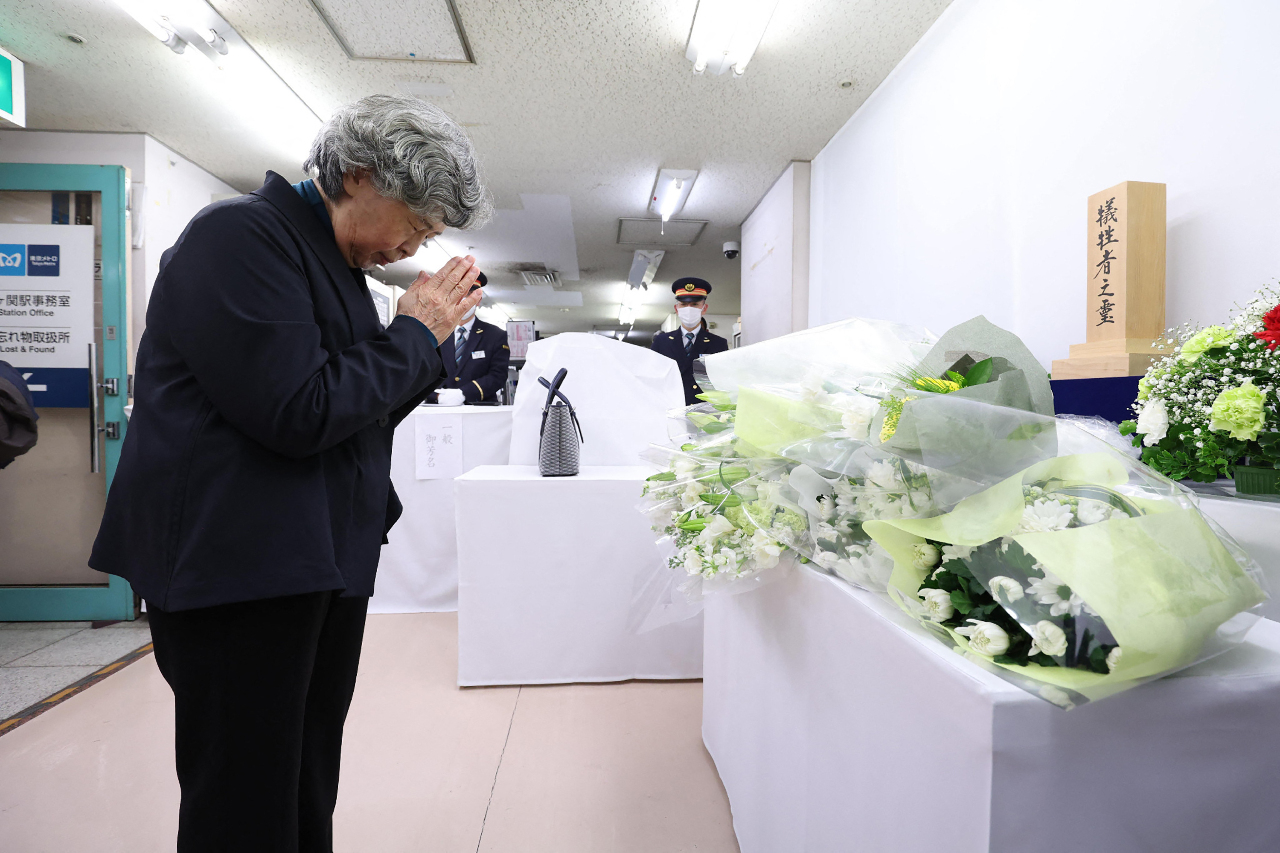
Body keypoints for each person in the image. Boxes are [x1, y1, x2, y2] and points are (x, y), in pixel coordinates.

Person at [88, 95, 492, 853]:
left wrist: (418, 339)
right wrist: (414, 333)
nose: (412, 246)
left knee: (303, 777)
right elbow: (297, 410)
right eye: (415, 221)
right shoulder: (241, 237)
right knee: (244, 797)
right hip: (239, 566)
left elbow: (354, 412)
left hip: (312, 561)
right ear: (359, 175)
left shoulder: (327, 263)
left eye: (431, 235)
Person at [433, 271, 512, 403]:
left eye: (469, 295)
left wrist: (464, 394)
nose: (464, 301)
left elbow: (498, 375)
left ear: (478, 300)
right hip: (437, 408)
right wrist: (438, 396)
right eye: (458, 294)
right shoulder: (434, 332)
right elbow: (419, 373)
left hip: (479, 408)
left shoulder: (495, 336)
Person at [650, 277, 730, 404]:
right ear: (677, 309)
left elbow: (723, 382)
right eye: (683, 304)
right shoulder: (662, 342)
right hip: (670, 408)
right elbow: (652, 378)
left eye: (694, 304)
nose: (689, 308)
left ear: (704, 308)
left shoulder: (718, 344)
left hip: (703, 413)